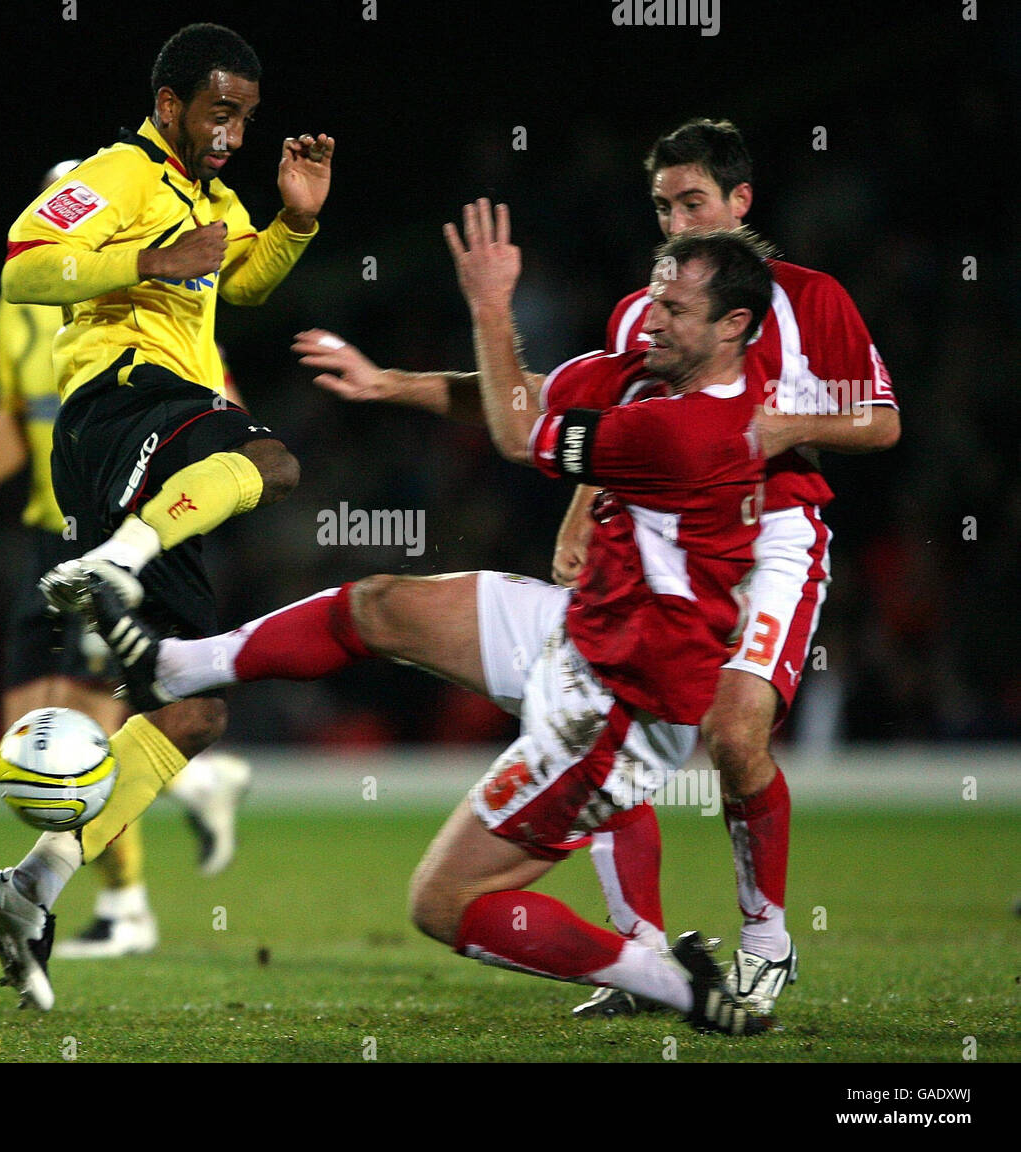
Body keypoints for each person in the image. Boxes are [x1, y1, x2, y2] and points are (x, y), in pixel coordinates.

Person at [88, 206, 776, 1036]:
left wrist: (490, 303)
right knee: (381, 607)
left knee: (443, 902)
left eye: (674, 309)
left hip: (618, 706)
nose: (650, 316)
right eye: (656, 297)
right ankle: (176, 668)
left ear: (735, 325)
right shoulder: (657, 369)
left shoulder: (692, 431)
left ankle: (669, 981)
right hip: (583, 627)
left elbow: (520, 435)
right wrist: (388, 384)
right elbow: (514, 394)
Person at [292, 119, 901, 1019]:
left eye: (694, 202)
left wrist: (780, 430)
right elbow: (547, 414)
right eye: (663, 206)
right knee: (608, 698)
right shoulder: (643, 314)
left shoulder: (812, 300)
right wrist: (401, 391)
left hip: (772, 531)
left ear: (741, 202)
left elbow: (882, 424)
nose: (677, 222)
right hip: (663, 536)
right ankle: (643, 957)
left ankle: (766, 940)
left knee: (735, 736)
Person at [0, 22, 332, 1008]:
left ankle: (31, 886)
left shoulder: (209, 198)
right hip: (118, 404)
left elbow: (239, 277)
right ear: (168, 103)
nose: (233, 136)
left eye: (246, 119)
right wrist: (146, 263)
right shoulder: (119, 171)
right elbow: (24, 264)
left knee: (192, 707)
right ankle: (118, 557)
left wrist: (291, 224)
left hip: (150, 440)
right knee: (271, 456)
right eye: (220, 113)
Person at [0, 162, 251, 960]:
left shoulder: (154, 311)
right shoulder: (19, 318)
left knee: (81, 731)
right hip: (48, 531)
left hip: (108, 536)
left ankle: (126, 906)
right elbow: (19, 414)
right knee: (30, 737)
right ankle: (195, 784)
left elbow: (224, 411)